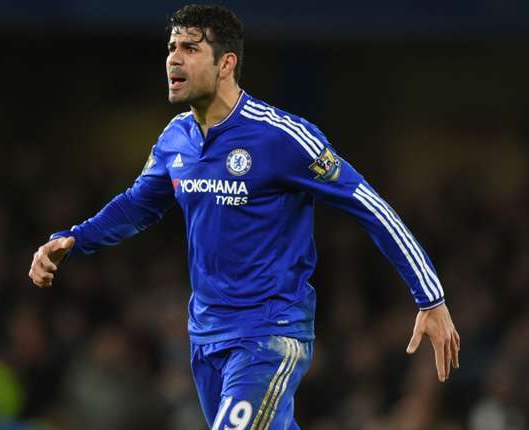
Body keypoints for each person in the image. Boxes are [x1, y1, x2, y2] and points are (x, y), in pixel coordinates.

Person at [29, 4, 460, 429]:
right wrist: (76, 238)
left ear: (226, 64)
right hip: (205, 337)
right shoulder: (175, 137)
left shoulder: (281, 137)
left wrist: (431, 297)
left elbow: (369, 205)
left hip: (269, 334)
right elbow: (139, 204)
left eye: (191, 48)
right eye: (171, 47)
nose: (174, 58)